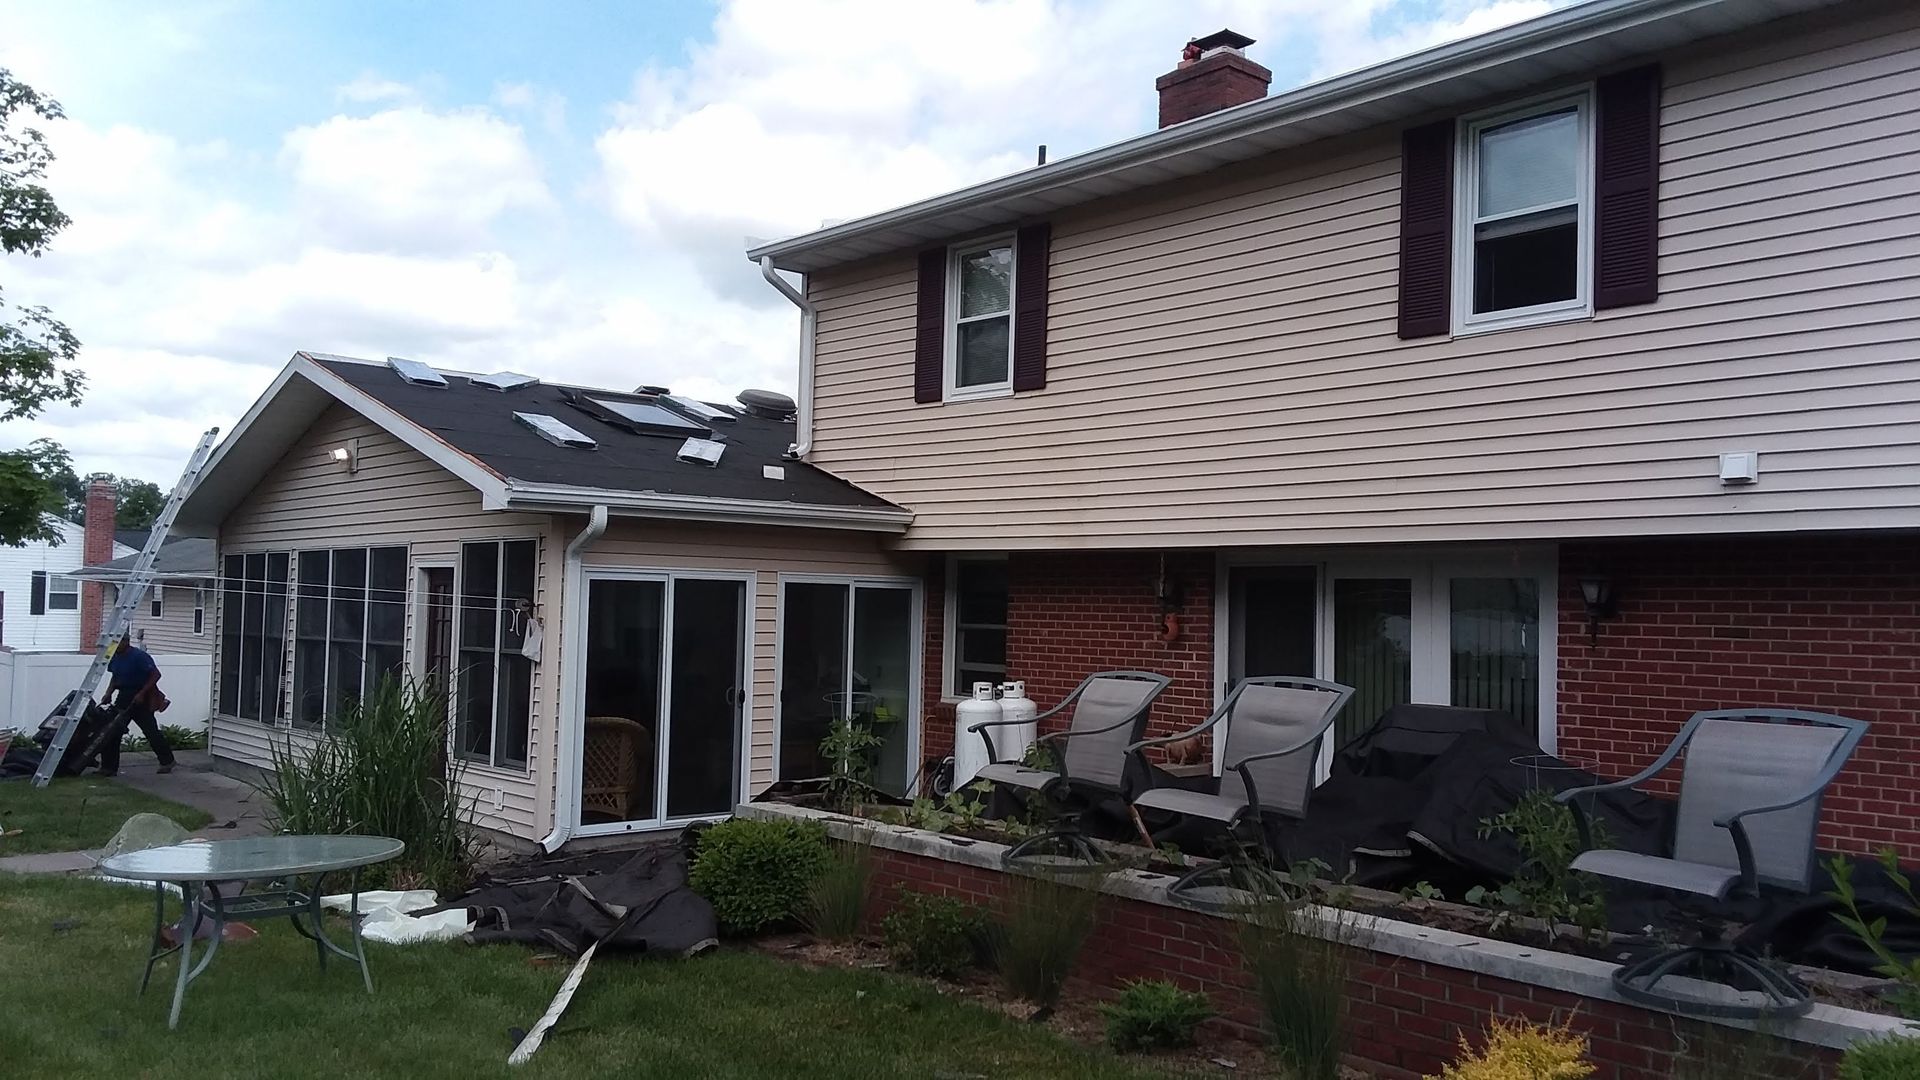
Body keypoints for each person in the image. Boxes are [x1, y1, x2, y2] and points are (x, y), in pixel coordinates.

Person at [97, 635, 175, 776]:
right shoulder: (114, 655)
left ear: (126, 642)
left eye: (118, 642)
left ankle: (167, 761)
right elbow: (115, 677)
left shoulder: (139, 656)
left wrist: (142, 693)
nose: (115, 645)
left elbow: (156, 674)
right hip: (123, 696)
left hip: (141, 697)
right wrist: (108, 693)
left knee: (150, 731)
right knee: (112, 731)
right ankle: (108, 767)